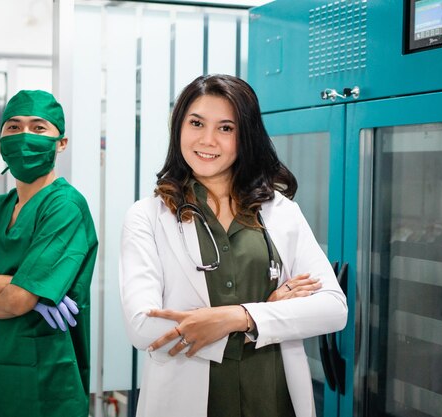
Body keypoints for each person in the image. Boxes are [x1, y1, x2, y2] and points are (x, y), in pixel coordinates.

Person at [119, 74, 347, 417]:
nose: (208, 139)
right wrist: (266, 314)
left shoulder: (280, 212)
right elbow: (144, 325)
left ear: (246, 137)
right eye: (196, 123)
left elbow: (332, 308)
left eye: (226, 128)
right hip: (184, 399)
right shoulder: (147, 216)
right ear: (179, 127)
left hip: (272, 397)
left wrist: (238, 316)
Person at [0, 90, 98, 417]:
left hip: (45, 378)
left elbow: (19, 301)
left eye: (38, 128)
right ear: (0, 138)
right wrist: (15, 282)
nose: (24, 136)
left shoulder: (64, 206)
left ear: (61, 142)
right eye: (13, 127)